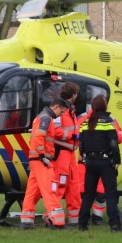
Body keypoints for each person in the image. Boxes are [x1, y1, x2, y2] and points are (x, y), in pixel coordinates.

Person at [20, 98, 69, 229]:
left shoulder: (42, 117)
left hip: (35, 159)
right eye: (62, 111)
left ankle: (27, 219)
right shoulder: (46, 118)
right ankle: (57, 221)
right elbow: (38, 137)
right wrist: (43, 156)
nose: (61, 114)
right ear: (56, 107)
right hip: (41, 159)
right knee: (50, 189)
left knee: (32, 191)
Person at [78, 94, 122, 232]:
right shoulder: (108, 123)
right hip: (105, 162)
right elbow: (114, 144)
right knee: (110, 194)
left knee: (88, 194)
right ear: (105, 106)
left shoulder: (85, 124)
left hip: (90, 162)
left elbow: (82, 145)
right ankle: (114, 224)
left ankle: (82, 224)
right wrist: (117, 160)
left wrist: (86, 157)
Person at [52, 81, 82, 225]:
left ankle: (74, 217)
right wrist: (72, 136)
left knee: (73, 187)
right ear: (74, 94)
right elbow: (54, 131)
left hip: (70, 153)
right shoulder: (61, 111)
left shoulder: (70, 110)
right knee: (59, 185)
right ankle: (51, 216)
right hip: (62, 153)